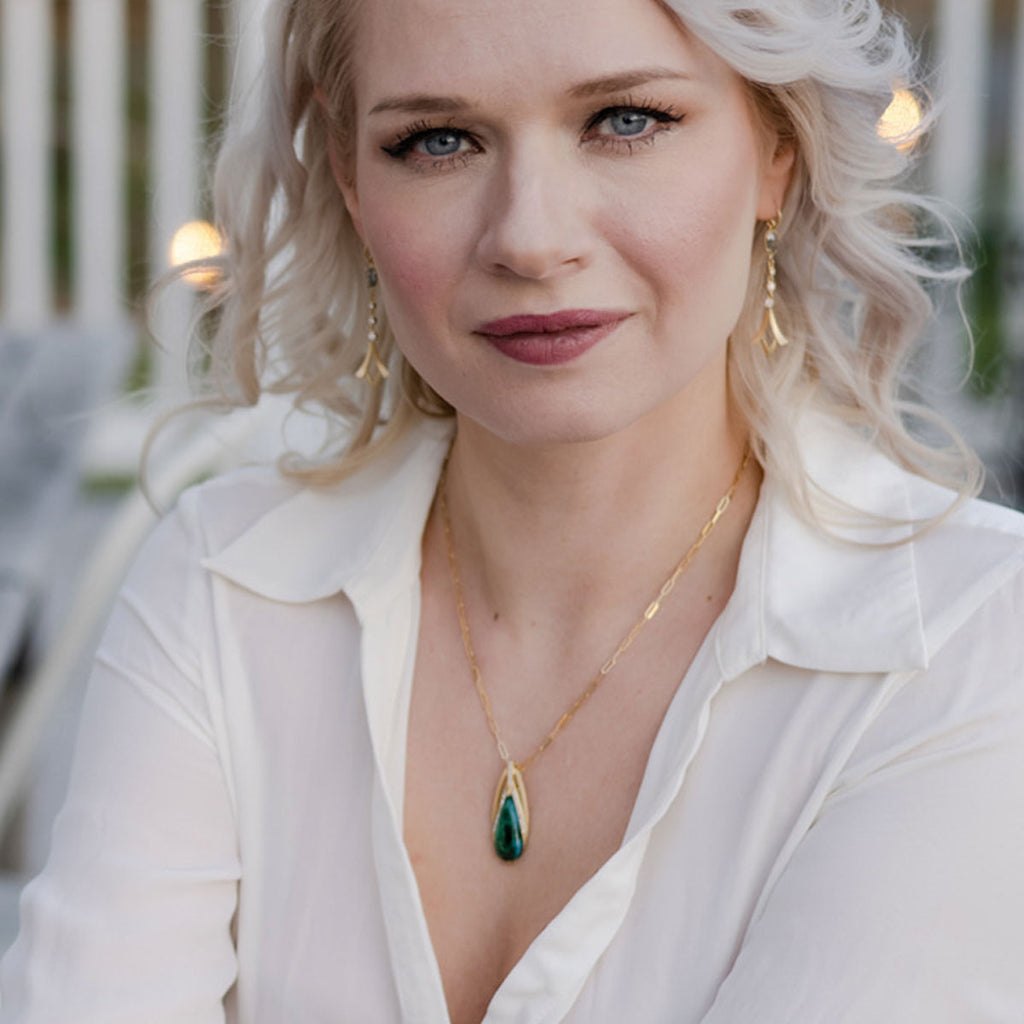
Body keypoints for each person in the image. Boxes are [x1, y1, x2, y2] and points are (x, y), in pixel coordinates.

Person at [3, 0, 1024, 1020]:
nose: (530, 239)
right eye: (437, 141)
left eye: (626, 120)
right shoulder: (225, 581)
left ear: (777, 149)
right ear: (352, 179)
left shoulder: (967, 633)